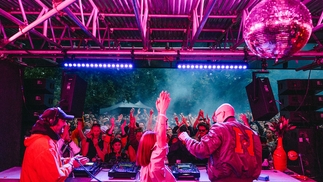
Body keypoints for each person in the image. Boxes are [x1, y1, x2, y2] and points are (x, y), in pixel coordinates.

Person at [178, 103, 262, 182]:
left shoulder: (220, 128)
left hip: (224, 178)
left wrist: (186, 138)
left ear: (223, 114)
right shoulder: (253, 133)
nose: (216, 120)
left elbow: (201, 150)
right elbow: (258, 159)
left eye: (216, 116)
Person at [21, 107, 89, 182]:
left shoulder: (44, 140)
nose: (65, 124)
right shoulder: (44, 145)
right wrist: (71, 164)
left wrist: (69, 160)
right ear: (52, 121)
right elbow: (56, 177)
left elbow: (49, 163)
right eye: (63, 120)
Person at [136, 91, 176, 182]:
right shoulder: (155, 166)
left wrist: (159, 113)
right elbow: (160, 136)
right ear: (152, 146)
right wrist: (162, 112)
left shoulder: (146, 165)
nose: (160, 139)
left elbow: (158, 132)